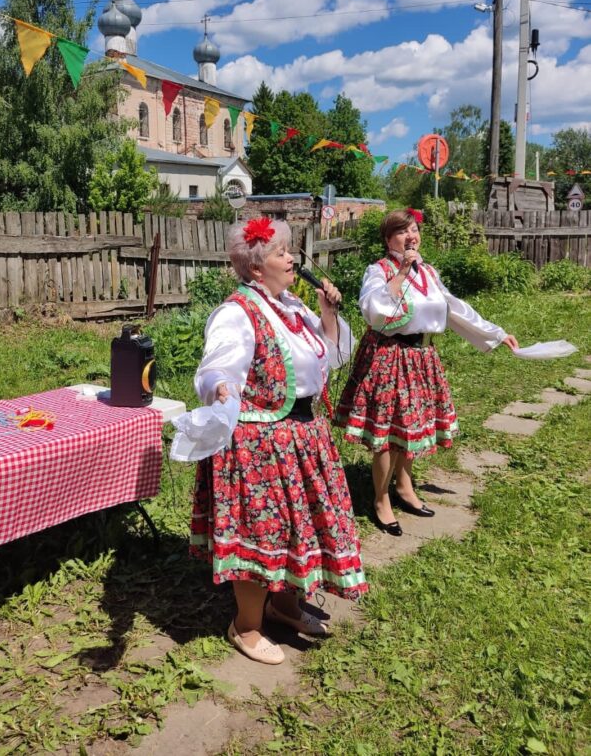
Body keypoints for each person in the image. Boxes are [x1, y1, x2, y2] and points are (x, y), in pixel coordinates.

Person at [190, 217, 368, 665]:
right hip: (259, 443)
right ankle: (246, 626)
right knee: (263, 533)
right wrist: (221, 387)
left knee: (298, 529)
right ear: (255, 268)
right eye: (281, 252)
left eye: (290, 251)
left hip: (303, 436)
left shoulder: (293, 307)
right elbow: (216, 366)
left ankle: (285, 607)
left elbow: (331, 356)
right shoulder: (238, 312)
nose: (292, 259)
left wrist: (328, 314)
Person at [336, 208, 519, 537]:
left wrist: (495, 333)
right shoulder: (378, 271)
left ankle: (405, 486)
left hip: (422, 358)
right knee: (387, 436)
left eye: (414, 230)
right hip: (389, 357)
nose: (411, 237)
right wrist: (402, 271)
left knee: (413, 429)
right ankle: (380, 500)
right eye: (402, 232)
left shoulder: (429, 273)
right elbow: (373, 310)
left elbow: (452, 307)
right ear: (388, 239)